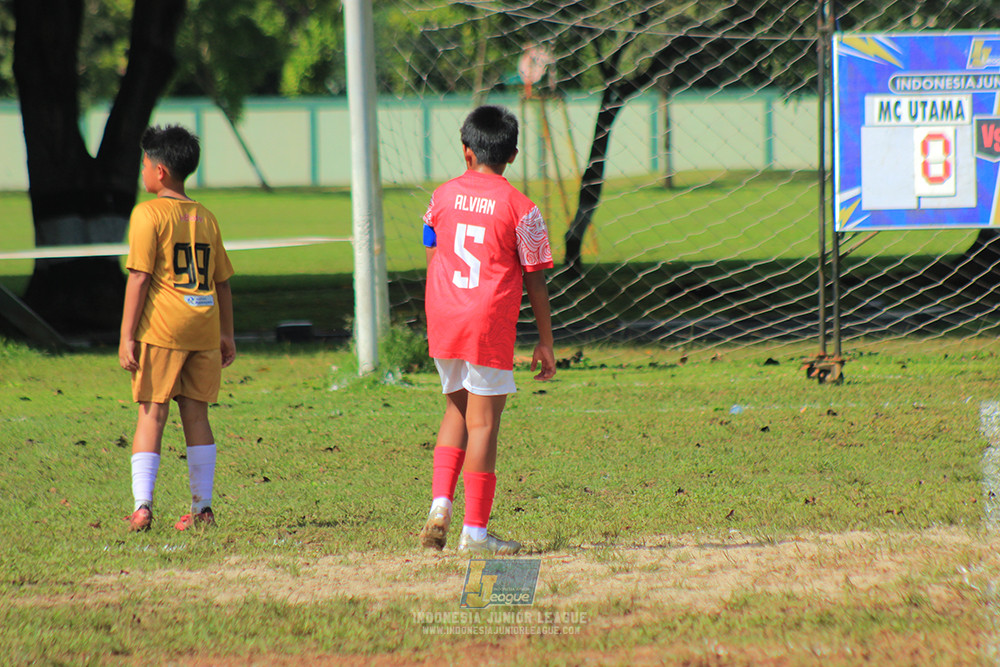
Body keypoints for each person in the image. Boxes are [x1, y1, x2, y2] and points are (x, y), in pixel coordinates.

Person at [418, 105, 557, 555]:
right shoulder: (523, 209)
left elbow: (430, 244)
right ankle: (474, 534)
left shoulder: (440, 196)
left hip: (443, 316)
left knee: (456, 412)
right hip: (486, 321)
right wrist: (546, 340)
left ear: (465, 151)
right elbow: (535, 277)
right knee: (484, 425)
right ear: (513, 155)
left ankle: (440, 507)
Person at [119, 125, 235, 532]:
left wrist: (126, 336)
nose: (143, 170)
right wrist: (227, 333)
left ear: (161, 171)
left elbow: (138, 278)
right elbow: (221, 281)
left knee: (152, 414)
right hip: (203, 328)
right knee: (197, 416)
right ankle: (203, 508)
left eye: (145, 163)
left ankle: (142, 506)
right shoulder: (206, 216)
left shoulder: (147, 214)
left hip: (164, 329)